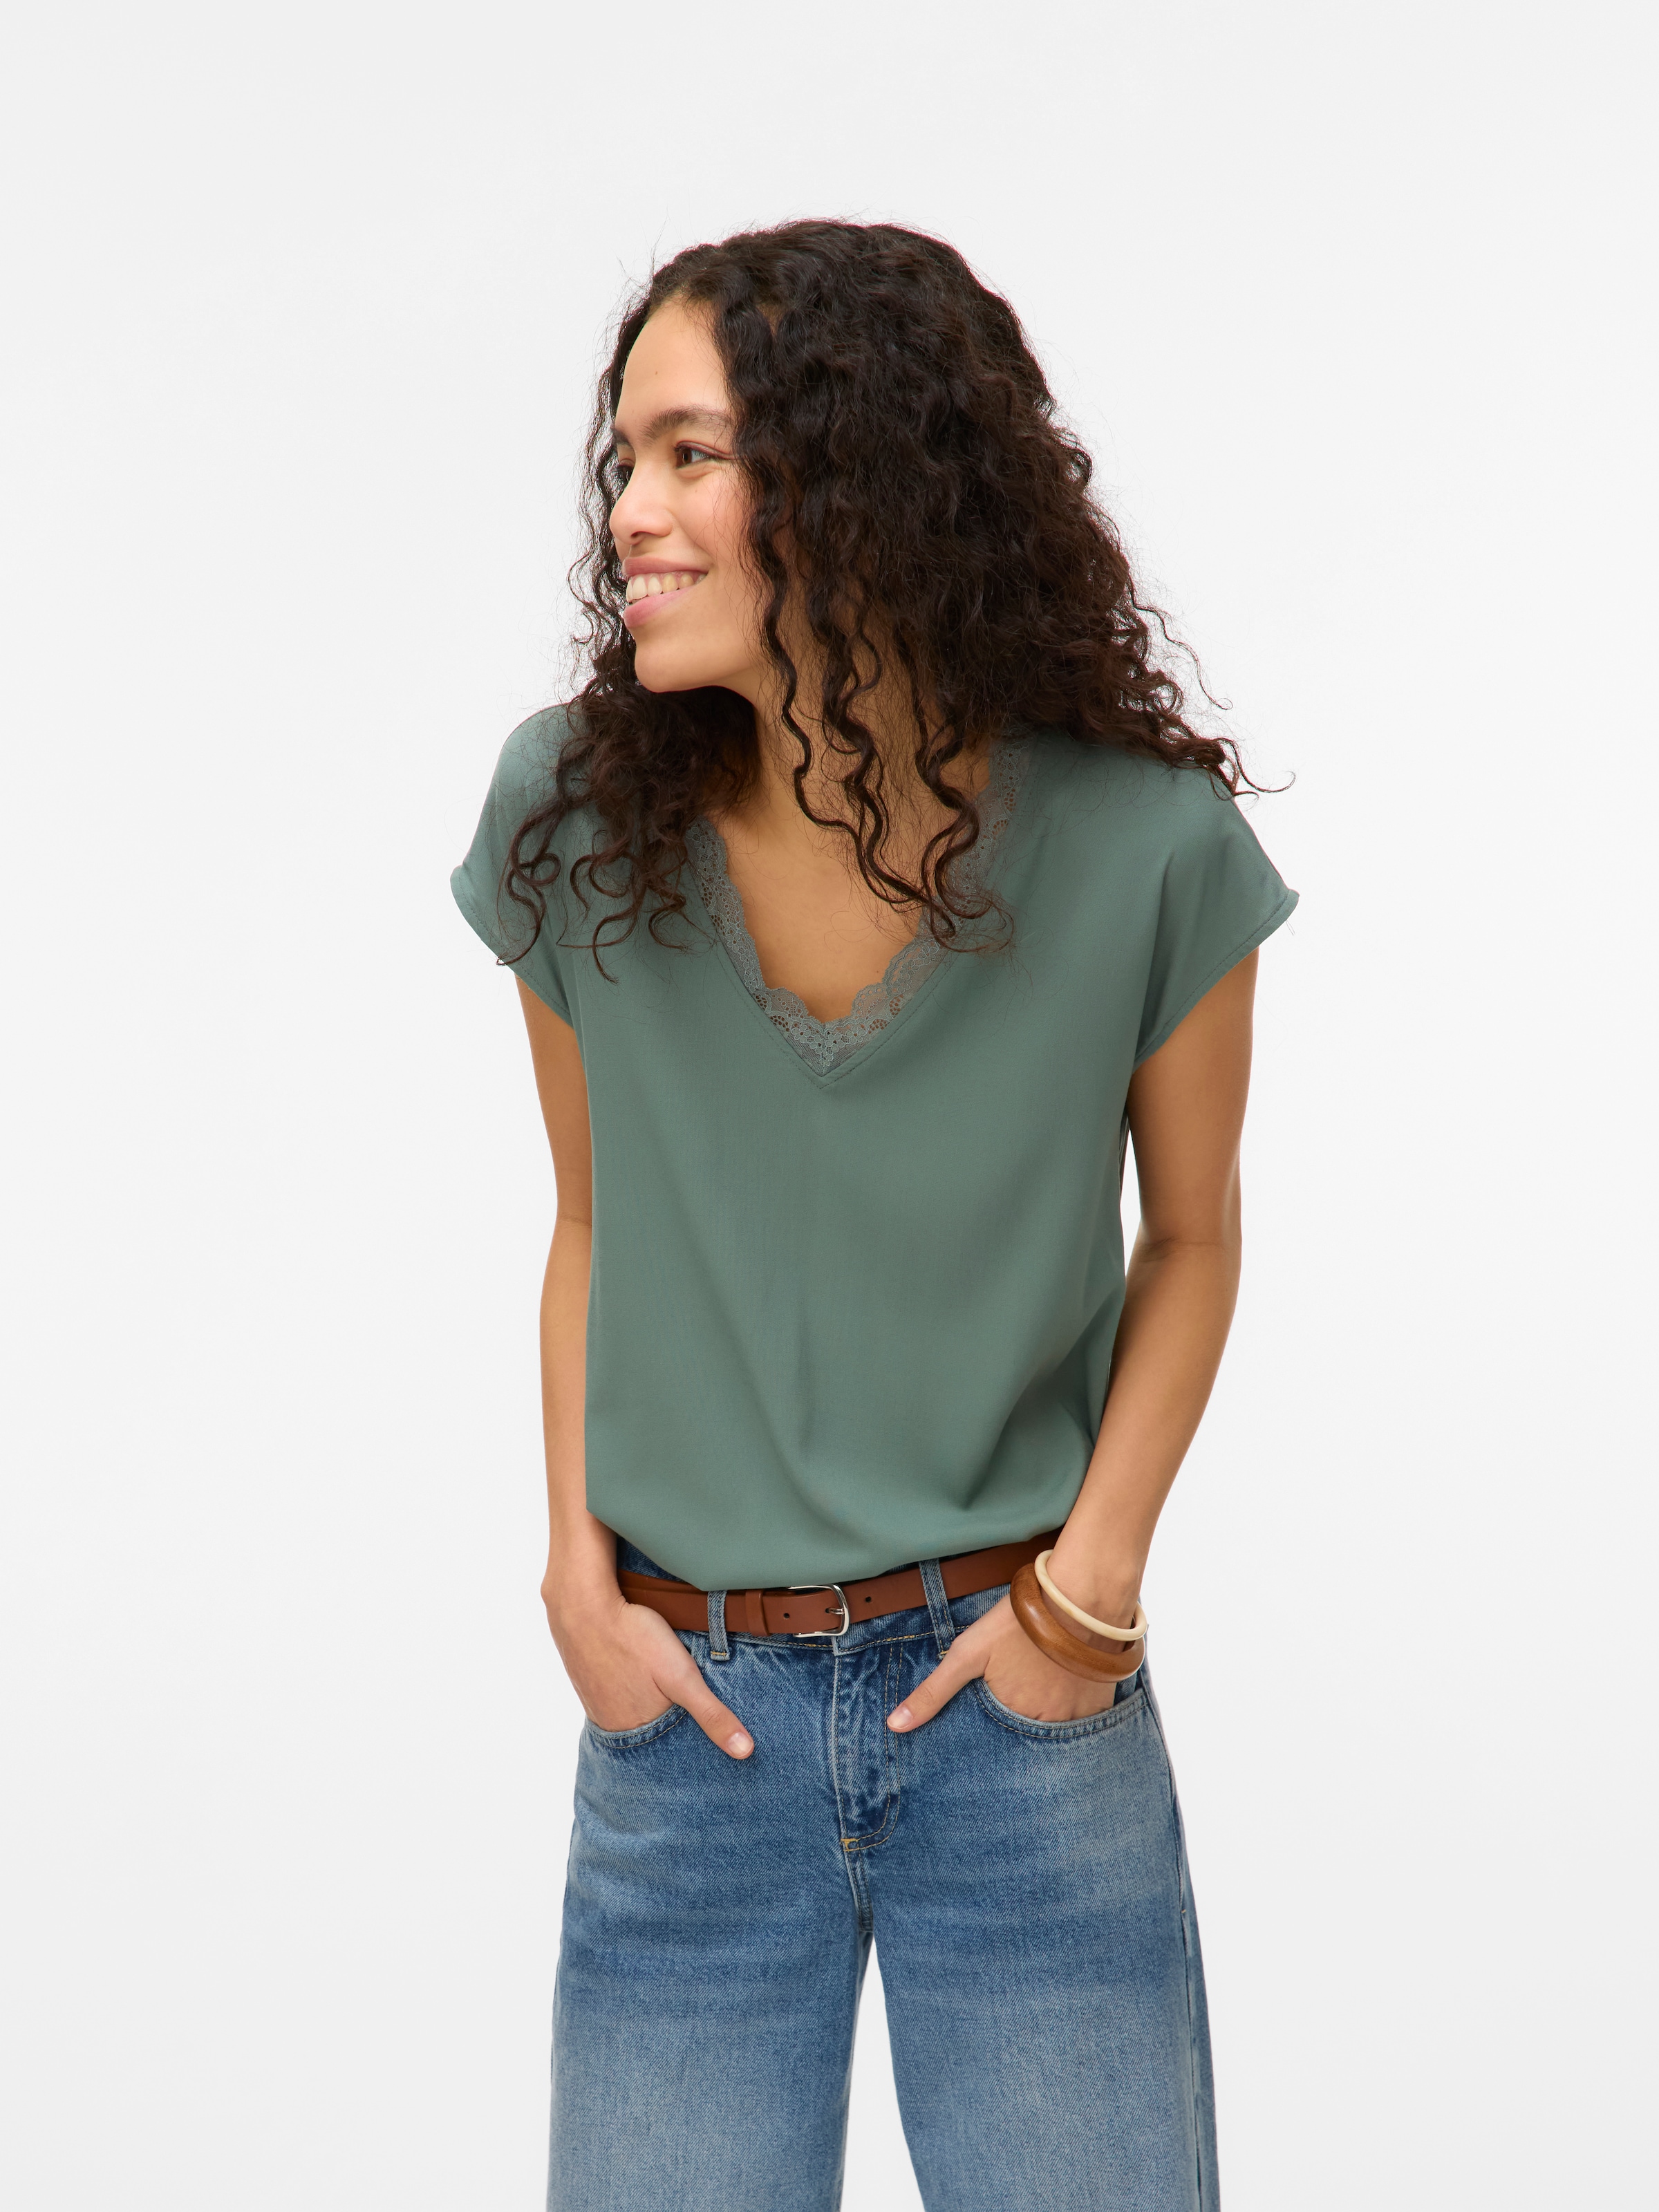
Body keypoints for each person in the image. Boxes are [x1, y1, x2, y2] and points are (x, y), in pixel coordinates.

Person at [452, 220, 1296, 2212]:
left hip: (1024, 1718)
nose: (629, 511)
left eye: (690, 454)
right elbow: (592, 1224)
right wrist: (576, 1581)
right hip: (689, 1728)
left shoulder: (1147, 848)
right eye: (626, 459)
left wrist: (1086, 1600)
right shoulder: (570, 821)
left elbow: (1192, 1240)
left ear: (861, 484)